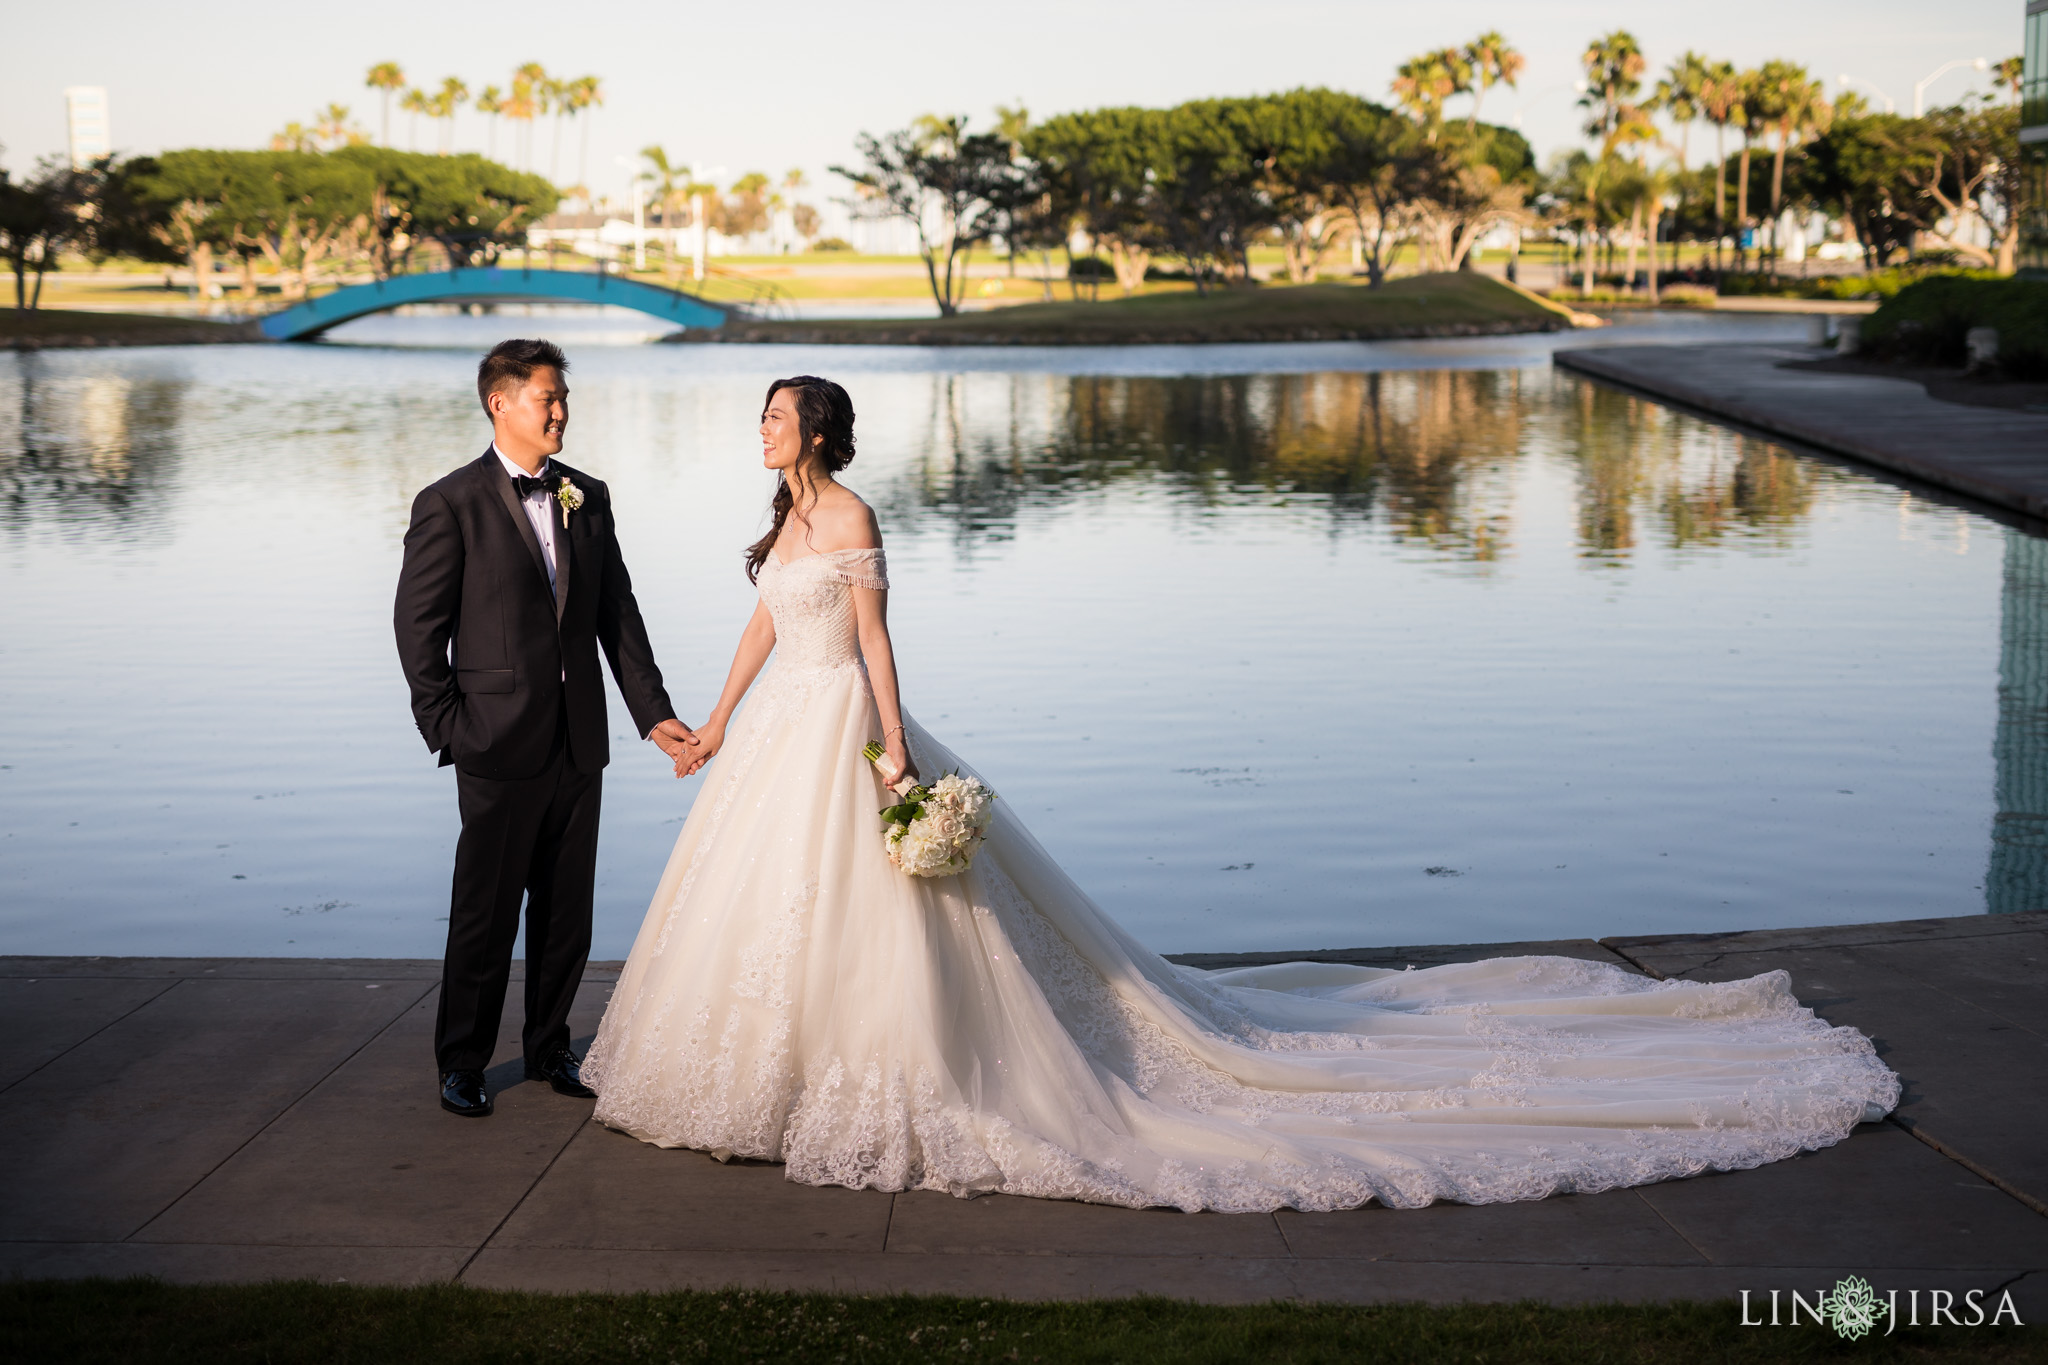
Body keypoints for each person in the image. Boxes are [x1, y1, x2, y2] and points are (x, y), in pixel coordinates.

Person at [584, 375, 1898, 1212]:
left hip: (851, 735)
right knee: (764, 918)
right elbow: (765, 631)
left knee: (890, 924)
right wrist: (708, 722)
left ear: (815, 429)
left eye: (774, 416)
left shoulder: (857, 516)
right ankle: (768, 1076)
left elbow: (873, 647)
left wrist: (890, 748)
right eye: (760, 417)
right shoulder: (776, 527)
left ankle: (883, 1077)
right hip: (772, 746)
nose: (761, 430)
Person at [394, 338, 693, 1119]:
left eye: (564, 399)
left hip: (577, 739)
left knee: (567, 909)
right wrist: (450, 727)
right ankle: (461, 1060)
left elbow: (615, 615)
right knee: (485, 911)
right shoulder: (450, 501)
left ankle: (551, 1044)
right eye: (546, 399)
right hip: (492, 739)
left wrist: (653, 712)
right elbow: (416, 628)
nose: (560, 412)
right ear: (501, 402)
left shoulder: (586, 496)